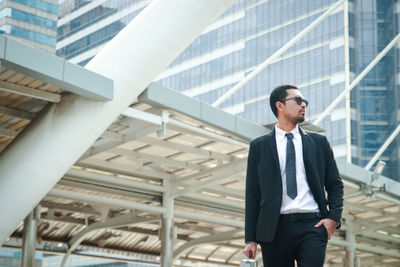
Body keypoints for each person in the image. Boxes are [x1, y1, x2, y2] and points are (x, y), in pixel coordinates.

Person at [243, 84, 343, 267]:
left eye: (304, 101)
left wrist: (333, 219)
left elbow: (335, 184)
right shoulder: (259, 146)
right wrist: (250, 239)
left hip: (312, 226)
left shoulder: (319, 143)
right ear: (279, 105)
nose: (303, 105)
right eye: (298, 100)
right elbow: (253, 194)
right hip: (274, 230)